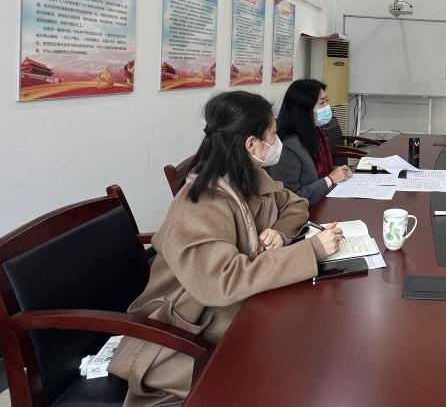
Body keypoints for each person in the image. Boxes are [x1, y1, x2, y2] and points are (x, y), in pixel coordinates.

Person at [109, 91, 343, 407]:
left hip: (238, 309)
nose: (277, 142)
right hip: (185, 331)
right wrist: (311, 252)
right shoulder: (202, 202)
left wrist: (280, 233)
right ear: (251, 144)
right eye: (273, 134)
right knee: (300, 368)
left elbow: (295, 204)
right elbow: (221, 282)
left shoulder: (248, 174)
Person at [268, 79, 353, 206]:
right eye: (321, 102)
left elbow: (316, 172)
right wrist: (330, 179)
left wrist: (337, 171)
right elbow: (289, 200)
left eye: (327, 101)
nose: (327, 107)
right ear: (303, 109)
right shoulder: (287, 147)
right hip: (307, 212)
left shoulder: (315, 132)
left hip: (324, 200)